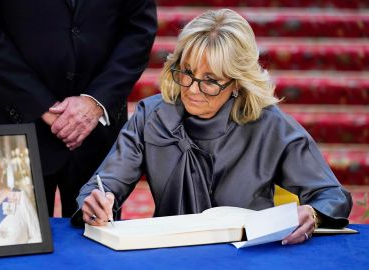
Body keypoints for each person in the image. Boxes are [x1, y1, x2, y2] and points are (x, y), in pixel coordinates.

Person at [74, 9, 352, 245]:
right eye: (187, 73)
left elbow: (330, 195)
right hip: (170, 251)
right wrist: (96, 200)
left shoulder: (270, 126)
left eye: (210, 80)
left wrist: (313, 213)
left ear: (236, 83)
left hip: (248, 254)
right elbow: (105, 184)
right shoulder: (152, 116)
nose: (193, 90)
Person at [0, 0, 158, 217]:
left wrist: (95, 101)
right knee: (12, 240)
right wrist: (41, 104)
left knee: (95, 243)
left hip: (96, 127)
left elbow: (139, 28)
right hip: (13, 119)